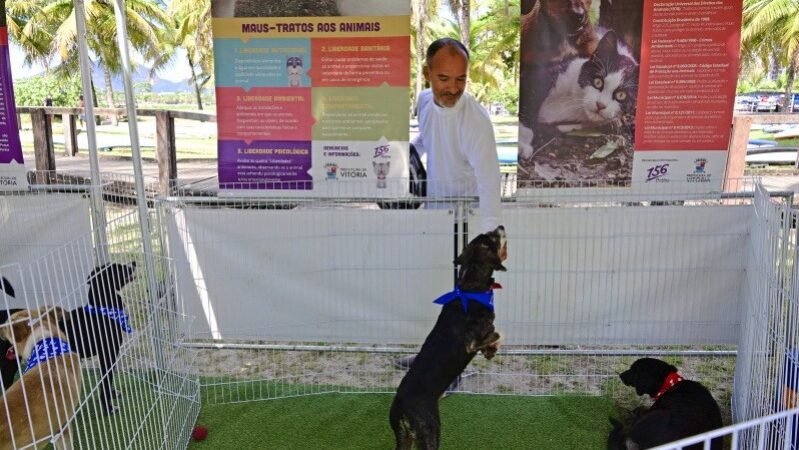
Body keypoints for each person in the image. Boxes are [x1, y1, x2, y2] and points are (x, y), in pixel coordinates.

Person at [395, 38, 504, 393]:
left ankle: (452, 370)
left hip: (468, 223)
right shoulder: (425, 101)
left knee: (464, 307)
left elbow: (489, 181)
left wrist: (494, 237)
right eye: (444, 78)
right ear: (427, 74)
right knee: (442, 297)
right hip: (436, 212)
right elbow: (426, 139)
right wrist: (406, 151)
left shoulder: (476, 121)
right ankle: (430, 359)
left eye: (461, 79)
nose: (452, 88)